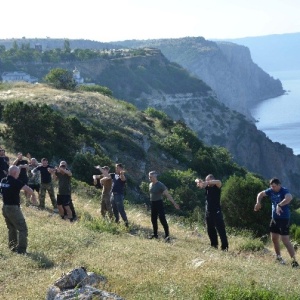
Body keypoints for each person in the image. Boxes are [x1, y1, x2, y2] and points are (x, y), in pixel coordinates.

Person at [254, 177, 299, 268]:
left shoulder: (283, 190)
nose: (273, 188)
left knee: (285, 240)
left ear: (279, 185)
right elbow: (261, 194)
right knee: (274, 238)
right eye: (271, 186)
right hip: (274, 218)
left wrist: (279, 204)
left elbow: (289, 198)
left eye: (274, 186)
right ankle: (279, 258)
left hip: (283, 218)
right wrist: (258, 202)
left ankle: (294, 262)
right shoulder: (271, 191)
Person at [0, 165, 37, 254]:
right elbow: (28, 189)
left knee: (11, 228)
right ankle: (21, 250)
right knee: (22, 229)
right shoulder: (15, 182)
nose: (18, 175)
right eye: (18, 173)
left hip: (5, 207)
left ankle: (12, 247)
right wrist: (34, 196)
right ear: (15, 173)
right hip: (13, 208)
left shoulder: (3, 181)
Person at [196, 174, 229, 251]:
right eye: (206, 180)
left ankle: (225, 247)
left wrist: (207, 182)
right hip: (208, 212)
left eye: (208, 180)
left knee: (221, 230)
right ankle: (214, 245)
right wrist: (199, 181)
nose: (206, 181)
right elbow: (198, 182)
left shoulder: (217, 186)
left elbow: (218, 181)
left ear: (211, 180)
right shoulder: (207, 187)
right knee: (210, 230)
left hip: (216, 211)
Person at [148, 171, 180, 242]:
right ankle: (155, 234)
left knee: (162, 219)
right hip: (153, 203)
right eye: (149, 177)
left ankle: (167, 236)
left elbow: (167, 195)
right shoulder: (150, 184)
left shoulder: (160, 185)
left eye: (151, 177)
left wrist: (174, 203)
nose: (149, 178)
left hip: (159, 203)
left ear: (155, 177)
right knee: (153, 219)